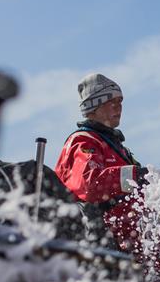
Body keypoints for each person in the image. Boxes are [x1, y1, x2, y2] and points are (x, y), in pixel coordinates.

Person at [54, 73, 147, 253]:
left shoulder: (119, 149)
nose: (119, 107)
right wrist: (138, 175)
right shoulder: (83, 141)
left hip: (135, 243)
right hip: (105, 247)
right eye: (112, 101)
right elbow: (88, 184)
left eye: (120, 101)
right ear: (94, 107)